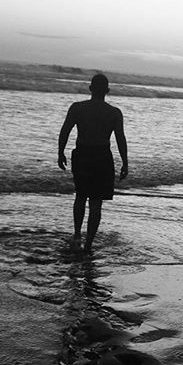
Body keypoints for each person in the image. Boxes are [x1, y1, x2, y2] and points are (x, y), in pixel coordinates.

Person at [58, 73, 128, 252]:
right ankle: (88, 245)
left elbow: (65, 131)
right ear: (107, 91)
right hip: (102, 157)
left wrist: (60, 152)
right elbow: (120, 139)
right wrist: (125, 162)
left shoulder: (77, 108)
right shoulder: (113, 113)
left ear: (90, 89)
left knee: (80, 196)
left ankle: (77, 235)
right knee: (96, 202)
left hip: (82, 154)